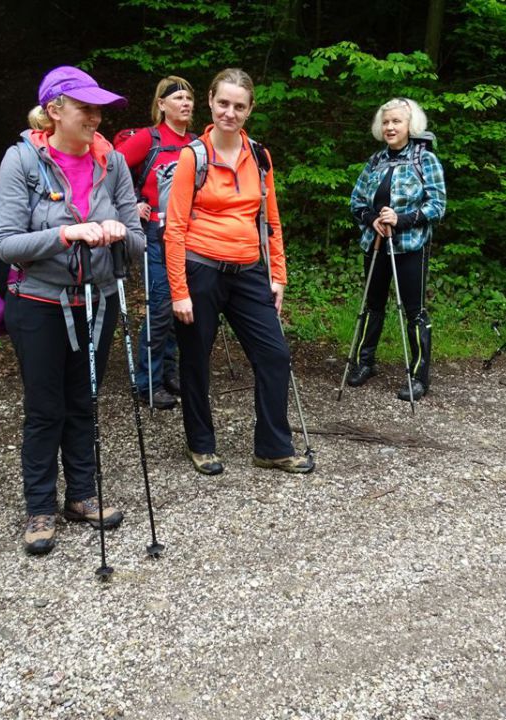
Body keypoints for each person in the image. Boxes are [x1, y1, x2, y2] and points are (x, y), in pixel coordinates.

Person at [0, 65, 145, 556]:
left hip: (96, 301)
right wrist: (68, 233)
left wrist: (122, 235)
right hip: (37, 303)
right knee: (45, 406)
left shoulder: (114, 162)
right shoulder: (21, 161)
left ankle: (81, 496)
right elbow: (6, 244)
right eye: (86, 107)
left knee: (85, 400)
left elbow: (139, 239)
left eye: (100, 109)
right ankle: (40, 507)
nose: (96, 117)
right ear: (55, 111)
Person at [164, 68, 313, 476]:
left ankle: (272, 446)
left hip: (249, 270)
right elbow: (174, 227)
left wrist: (277, 275)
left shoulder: (260, 156)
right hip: (201, 269)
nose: (230, 112)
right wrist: (179, 290)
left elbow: (271, 221)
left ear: (250, 110)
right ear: (211, 102)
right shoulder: (193, 156)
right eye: (224, 103)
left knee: (274, 355)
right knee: (195, 360)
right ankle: (201, 443)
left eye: (239, 106)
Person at [348, 98, 447, 401]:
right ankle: (364, 363)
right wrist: (373, 219)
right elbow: (356, 202)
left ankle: (418, 376)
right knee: (371, 305)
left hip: (410, 247)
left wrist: (401, 219)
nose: (390, 127)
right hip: (376, 244)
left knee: (414, 310)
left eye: (397, 122)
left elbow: (438, 205)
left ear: (410, 126)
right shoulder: (376, 161)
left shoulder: (424, 159)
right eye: (386, 122)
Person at [116, 76, 196, 410]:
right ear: (161, 105)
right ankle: (146, 383)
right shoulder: (147, 140)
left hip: (190, 236)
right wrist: (130, 203)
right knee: (161, 307)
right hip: (155, 235)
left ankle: (169, 372)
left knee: (182, 307)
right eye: (177, 97)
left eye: (190, 97)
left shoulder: (197, 142)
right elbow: (108, 169)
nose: (186, 103)